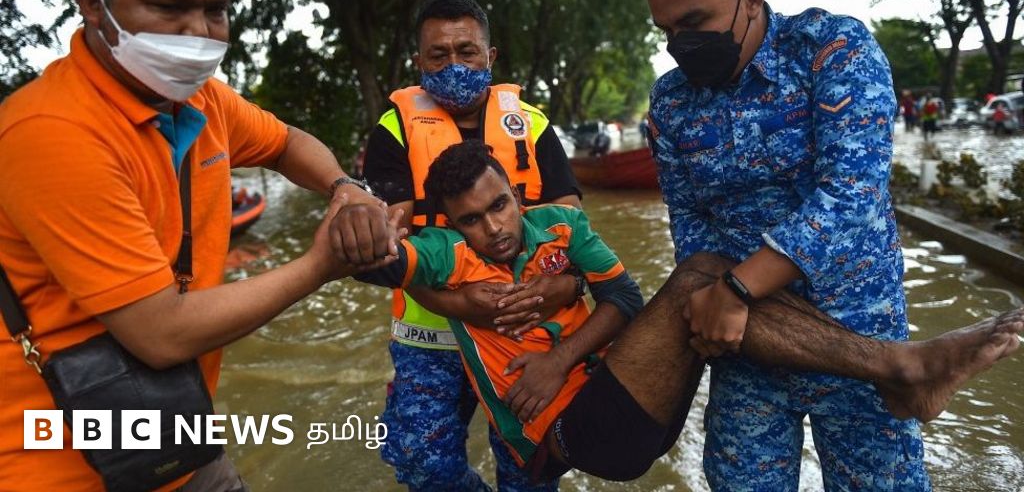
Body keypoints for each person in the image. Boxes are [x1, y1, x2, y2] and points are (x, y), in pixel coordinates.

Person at [340, 140, 1024, 485]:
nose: (492, 227)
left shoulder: (559, 225)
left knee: (712, 282)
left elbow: (625, 298)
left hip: (622, 401)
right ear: (451, 226)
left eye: (499, 206)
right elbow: (379, 266)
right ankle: (900, 365)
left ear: (516, 194)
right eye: (471, 220)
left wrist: (558, 356)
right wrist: (376, 219)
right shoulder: (445, 253)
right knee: (704, 274)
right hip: (574, 436)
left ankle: (897, 366)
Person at [0, 0, 392, 491]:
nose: (197, 33)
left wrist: (346, 190)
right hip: (61, 463)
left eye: (215, 10)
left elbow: (287, 143)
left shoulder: (205, 100)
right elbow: (160, 334)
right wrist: (321, 264)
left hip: (176, 434)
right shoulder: (51, 132)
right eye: (166, 6)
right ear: (92, 1)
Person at [624, 0, 938, 488]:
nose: (680, 46)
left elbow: (852, 196)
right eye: (666, 31)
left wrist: (739, 285)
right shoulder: (670, 103)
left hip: (857, 336)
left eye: (694, 22)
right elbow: (688, 218)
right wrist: (720, 296)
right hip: (747, 347)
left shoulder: (831, 51)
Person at [360, 0, 581, 491]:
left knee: (531, 468)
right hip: (428, 334)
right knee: (420, 461)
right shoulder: (394, 130)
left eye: (467, 52)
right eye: (438, 55)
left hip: (523, 327)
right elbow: (392, 241)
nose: (453, 64)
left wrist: (561, 288)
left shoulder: (533, 125)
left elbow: (572, 221)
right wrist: (459, 303)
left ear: (490, 56)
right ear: (419, 61)